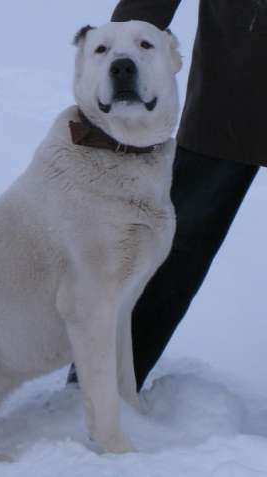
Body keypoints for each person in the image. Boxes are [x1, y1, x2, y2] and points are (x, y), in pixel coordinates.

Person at [105, 0, 266, 390]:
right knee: (169, 247)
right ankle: (102, 386)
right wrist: (119, 50)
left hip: (231, 89)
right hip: (234, 91)